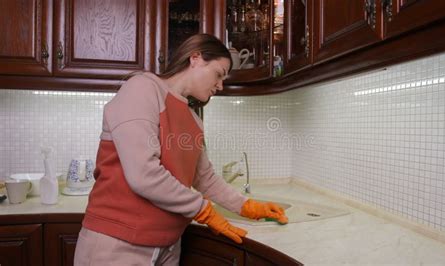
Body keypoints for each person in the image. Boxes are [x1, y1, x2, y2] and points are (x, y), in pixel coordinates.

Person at [74, 33, 288, 266]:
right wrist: (203, 210)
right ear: (195, 58)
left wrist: (247, 206)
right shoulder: (142, 89)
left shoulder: (193, 119)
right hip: (118, 242)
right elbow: (143, 174)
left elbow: (205, 179)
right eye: (218, 74)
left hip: (168, 244)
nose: (220, 85)